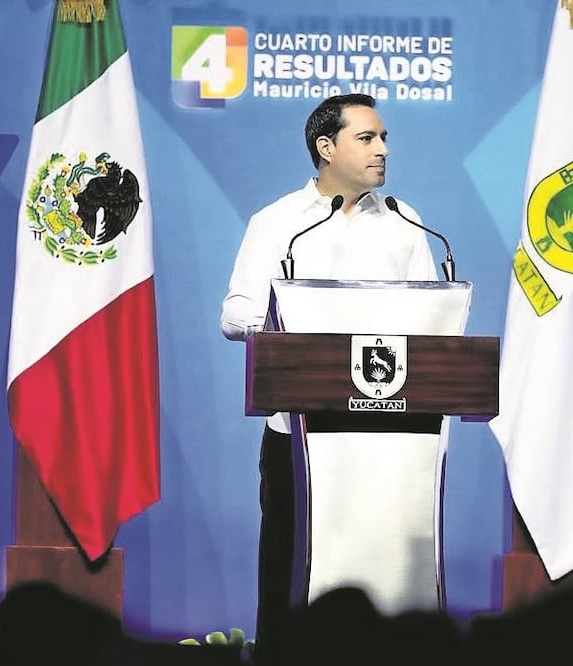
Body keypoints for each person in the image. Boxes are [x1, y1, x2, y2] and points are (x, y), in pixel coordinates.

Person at [220, 93, 438, 663]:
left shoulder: (406, 224)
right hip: (298, 433)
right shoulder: (278, 224)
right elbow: (234, 314)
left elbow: (435, 324)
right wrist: (294, 328)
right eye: (367, 138)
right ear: (326, 147)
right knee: (289, 566)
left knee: (380, 568)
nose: (382, 149)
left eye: (383, 137)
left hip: (385, 435)